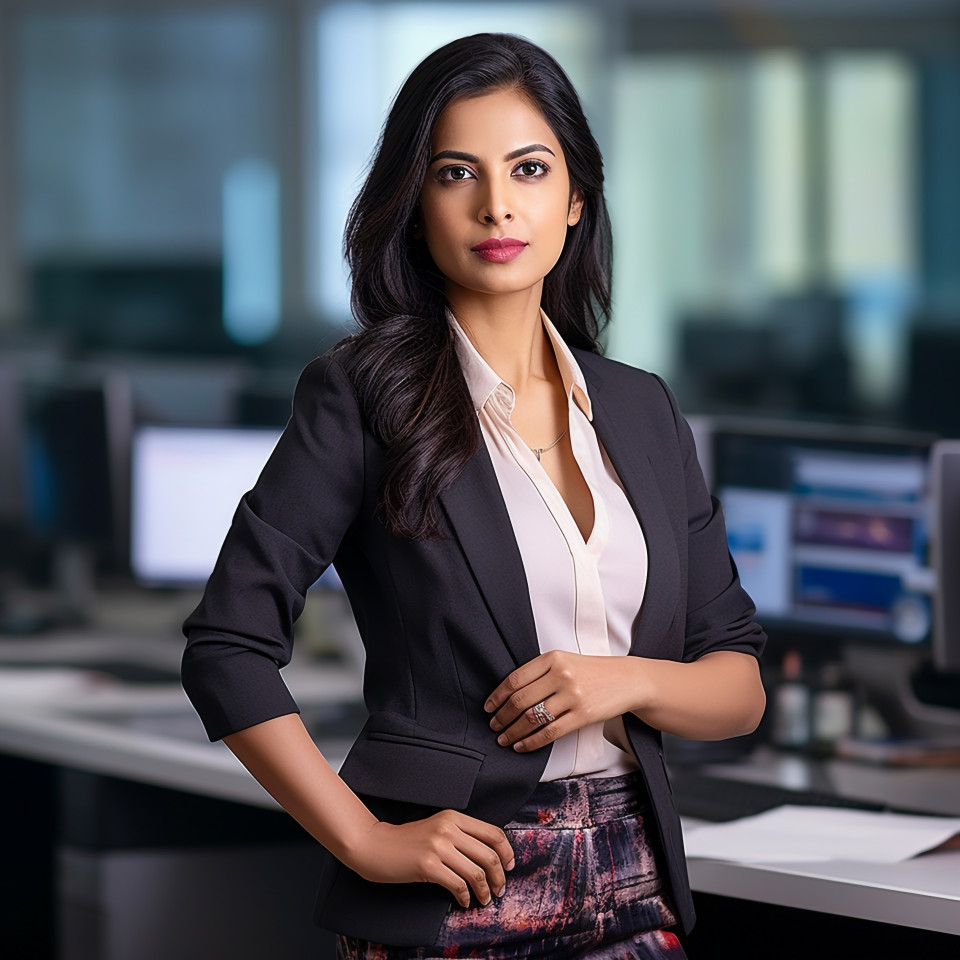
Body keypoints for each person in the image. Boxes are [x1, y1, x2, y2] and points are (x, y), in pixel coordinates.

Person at [181, 32, 766, 960]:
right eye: (456, 173)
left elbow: (738, 684)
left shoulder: (641, 408)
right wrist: (363, 838)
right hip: (456, 886)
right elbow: (226, 646)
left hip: (632, 875)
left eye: (529, 169)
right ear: (415, 205)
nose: (497, 204)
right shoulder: (363, 397)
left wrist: (627, 680)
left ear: (576, 197)